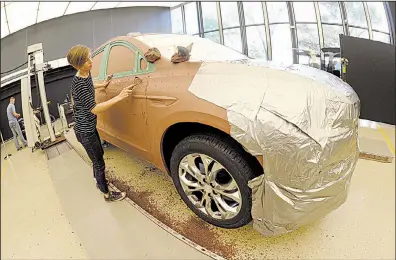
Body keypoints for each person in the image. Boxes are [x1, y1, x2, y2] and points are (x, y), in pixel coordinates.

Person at [66, 44, 135, 202]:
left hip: (89, 127)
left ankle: (99, 181)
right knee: (99, 163)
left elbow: (90, 84)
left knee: (98, 157)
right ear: (77, 65)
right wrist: (120, 96)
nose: (91, 61)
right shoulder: (79, 83)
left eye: (90, 57)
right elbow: (95, 109)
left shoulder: (85, 73)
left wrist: (101, 85)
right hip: (85, 132)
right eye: (86, 60)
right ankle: (106, 193)